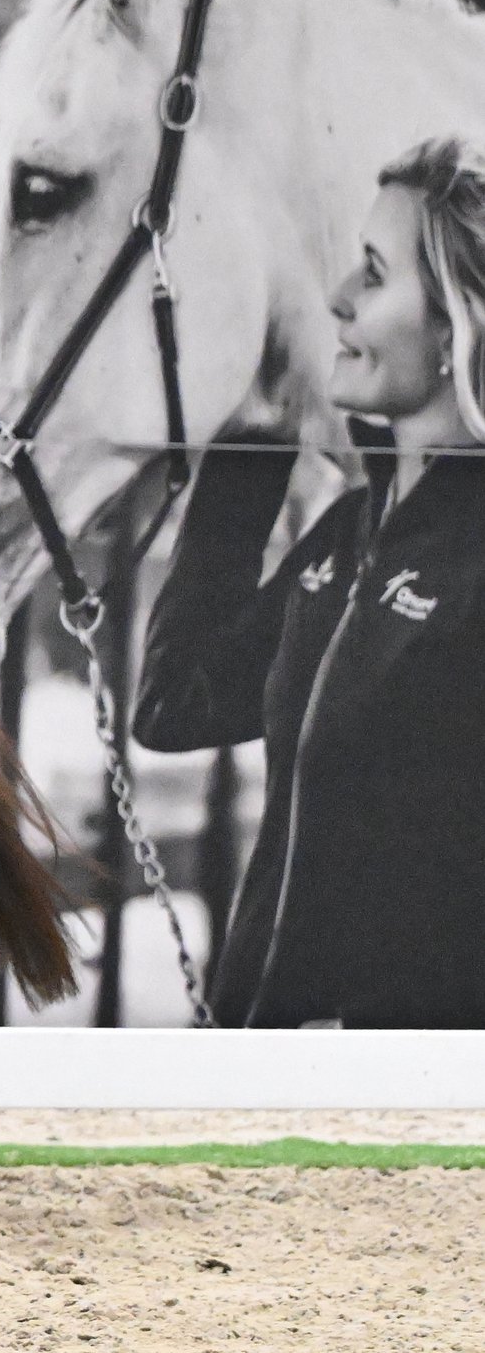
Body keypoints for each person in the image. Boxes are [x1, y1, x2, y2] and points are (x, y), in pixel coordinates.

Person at [134, 136, 485, 1028]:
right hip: (262, 1061)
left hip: (401, 1107)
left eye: (373, 272)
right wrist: (253, 437)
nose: (337, 296)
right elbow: (174, 703)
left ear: (454, 330)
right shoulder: (349, 530)